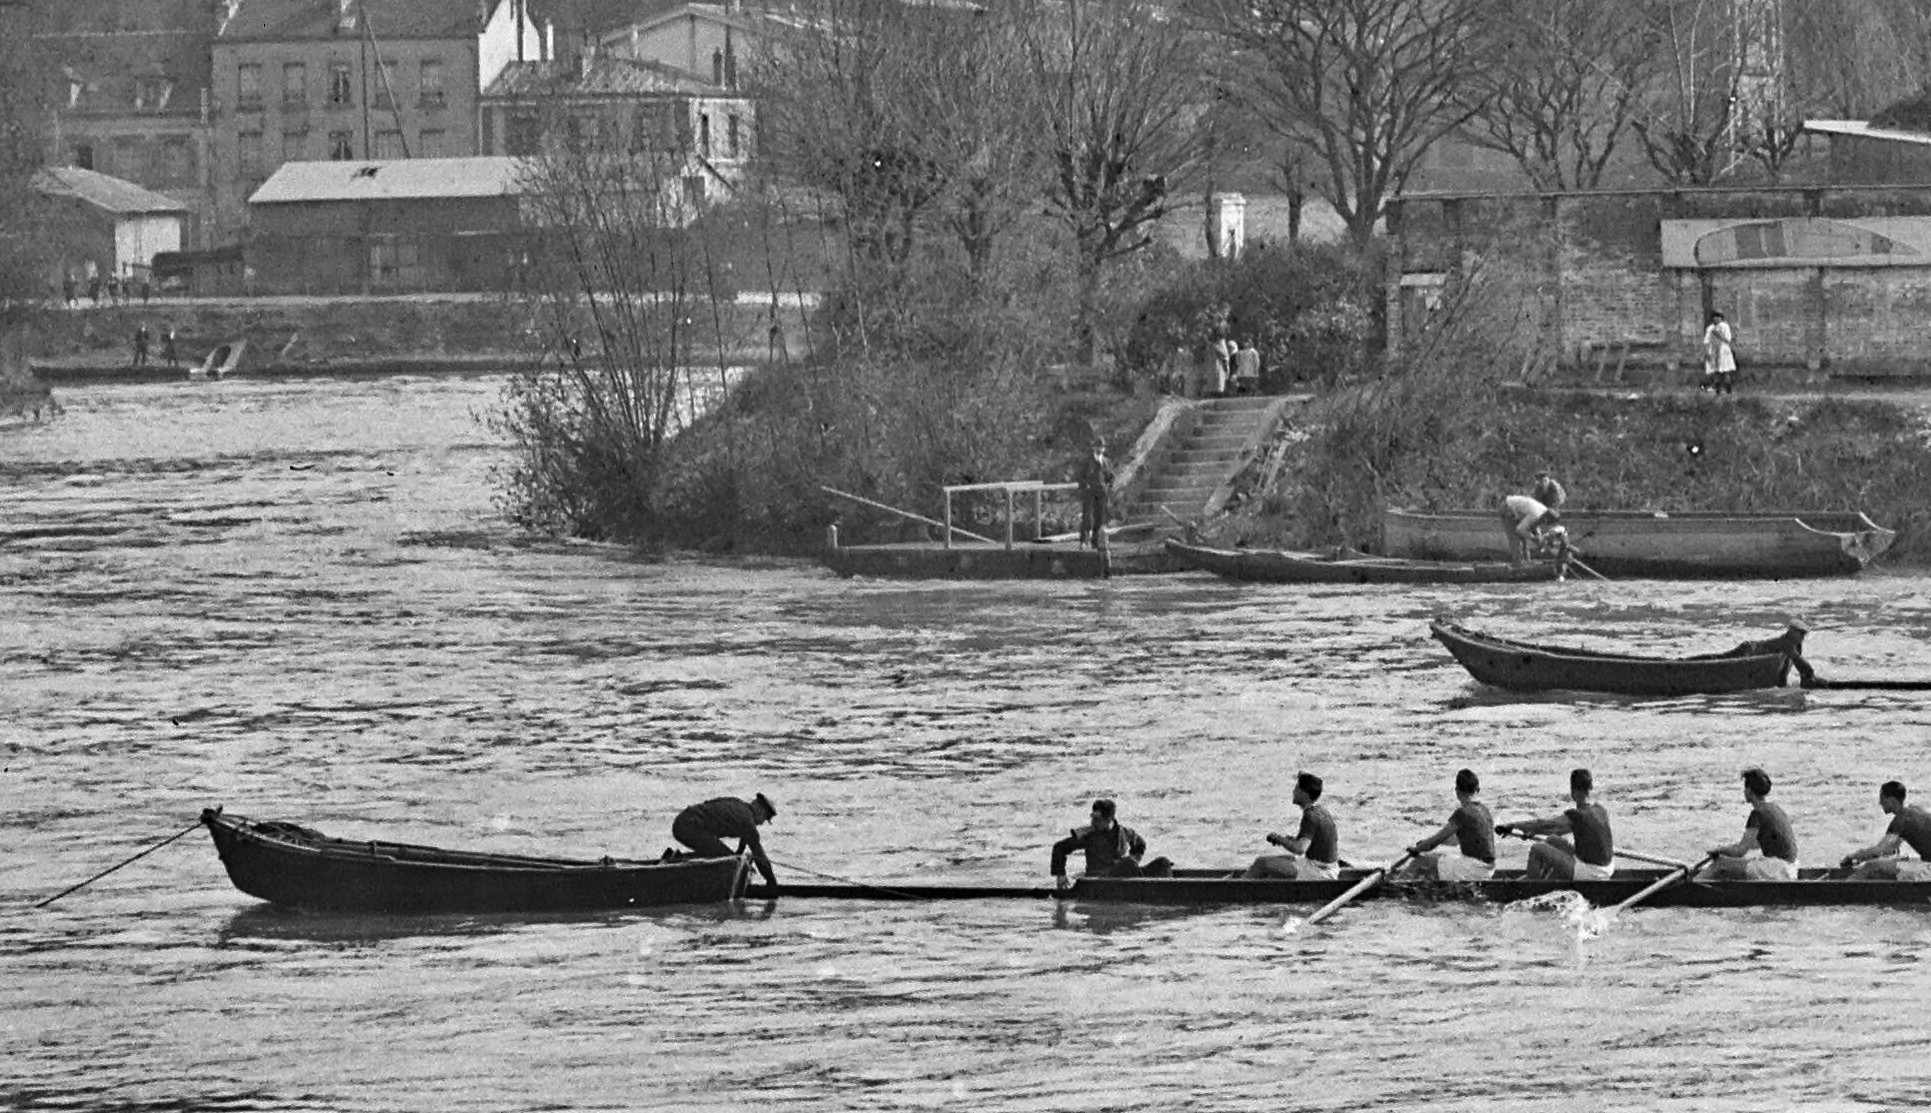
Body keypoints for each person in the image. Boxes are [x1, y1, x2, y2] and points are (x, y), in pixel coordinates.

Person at [1500, 768, 1615, 881]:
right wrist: (1533, 831)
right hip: (1608, 868)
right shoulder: (1600, 810)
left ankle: (1530, 887)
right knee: (1552, 840)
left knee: (1536, 849)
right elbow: (1555, 830)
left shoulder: (1577, 815)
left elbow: (1546, 825)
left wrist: (1514, 825)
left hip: (1590, 872)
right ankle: (1545, 878)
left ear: (1572, 791)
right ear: (1591, 787)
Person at [1700, 767, 1799, 881]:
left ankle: (1690, 888)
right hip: (1791, 869)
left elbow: (1740, 851)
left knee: (1720, 864)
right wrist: (1726, 850)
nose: (1744, 791)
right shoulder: (1775, 808)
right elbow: (1754, 844)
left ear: (1749, 790)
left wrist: (1719, 851)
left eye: (1745, 787)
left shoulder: (1757, 813)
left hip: (1778, 869)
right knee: (1732, 865)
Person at [1050, 798, 1172, 890]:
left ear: (1109, 819)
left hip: (1121, 879)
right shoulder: (1089, 835)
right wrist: (1061, 875)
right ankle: (1147, 890)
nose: (1093, 822)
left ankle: (1166, 890)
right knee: (1128, 863)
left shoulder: (1124, 832)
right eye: (1092, 818)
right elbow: (1059, 848)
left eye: (1098, 819)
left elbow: (1140, 844)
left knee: (1163, 863)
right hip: (1098, 881)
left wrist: (1135, 860)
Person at [1400, 768, 1496, 881]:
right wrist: (1423, 845)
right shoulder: (1484, 810)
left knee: (1420, 862)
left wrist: (1417, 849)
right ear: (1478, 790)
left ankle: (1393, 887)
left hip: (1475, 868)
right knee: (1434, 860)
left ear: (1457, 791)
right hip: (1489, 868)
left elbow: (1437, 840)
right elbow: (1455, 840)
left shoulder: (1462, 813)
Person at [1243, 771, 1339, 880]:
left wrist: (1279, 839)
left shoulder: (1310, 816)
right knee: (1278, 861)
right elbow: (1313, 843)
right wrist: (1288, 840)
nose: (1293, 791)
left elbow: (1300, 849)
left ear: (1304, 793)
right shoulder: (1321, 811)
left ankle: (1234, 890)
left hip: (1318, 872)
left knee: (1261, 863)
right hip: (1323, 867)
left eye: (1296, 788)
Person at [671, 793, 778, 886]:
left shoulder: (738, 805)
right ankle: (677, 863)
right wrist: (771, 881)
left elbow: (745, 837)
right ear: (759, 809)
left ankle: (677, 858)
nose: (762, 823)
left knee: (722, 854)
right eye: (765, 818)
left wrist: (739, 854)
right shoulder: (748, 823)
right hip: (689, 826)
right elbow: (760, 856)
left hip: (683, 820)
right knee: (727, 860)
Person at [1840, 781, 1931, 880]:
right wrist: (1865, 857)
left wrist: (1852, 856)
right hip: (1927, 865)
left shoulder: (1901, 819)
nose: (1880, 802)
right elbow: (1891, 848)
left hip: (1928, 870)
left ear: (1891, 800)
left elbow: (1881, 849)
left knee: (1871, 866)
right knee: (1893, 862)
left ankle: (1839, 890)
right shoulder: (1914, 810)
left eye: (1882, 798)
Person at [1723, 621, 1815, 687]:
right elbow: (1803, 665)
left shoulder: (1795, 644)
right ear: (1791, 631)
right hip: (1749, 648)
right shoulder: (1786, 643)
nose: (1803, 637)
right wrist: (1810, 676)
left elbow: (1790, 665)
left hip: (1752, 648)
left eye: (1804, 634)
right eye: (1801, 633)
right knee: (1723, 659)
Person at [1076, 438, 1114, 551]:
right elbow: (1080, 476)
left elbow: (1111, 477)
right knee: (1087, 516)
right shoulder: (1087, 461)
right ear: (1094, 448)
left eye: (1102, 447)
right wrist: (1085, 485)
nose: (1100, 449)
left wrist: (1108, 486)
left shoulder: (1107, 462)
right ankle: (1084, 541)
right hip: (1089, 492)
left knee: (1100, 517)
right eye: (1098, 446)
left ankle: (1095, 541)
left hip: (1101, 493)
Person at [1499, 493, 1560, 563]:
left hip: (1518, 512)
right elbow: (1519, 530)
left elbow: (1535, 526)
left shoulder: (1544, 512)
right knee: (1516, 537)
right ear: (1546, 519)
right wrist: (1533, 537)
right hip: (1507, 507)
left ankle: (1527, 562)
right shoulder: (1536, 514)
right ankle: (1519, 564)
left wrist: (1539, 537)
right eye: (1546, 523)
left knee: (1523, 537)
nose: (1545, 525)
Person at [1703, 311, 1736, 394]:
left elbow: (1727, 339)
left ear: (1720, 318)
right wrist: (1707, 352)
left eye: (1718, 317)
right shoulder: (1710, 328)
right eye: (1714, 317)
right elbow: (1706, 341)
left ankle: (1728, 390)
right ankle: (1717, 390)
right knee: (1715, 371)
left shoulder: (1725, 326)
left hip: (1723, 350)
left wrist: (1718, 334)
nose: (1716, 319)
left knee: (1725, 370)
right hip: (1713, 350)